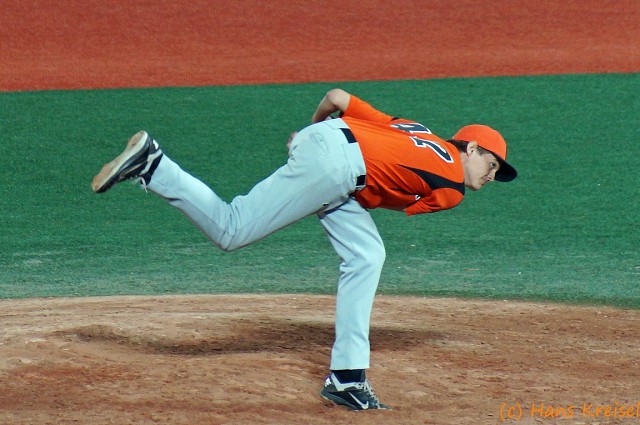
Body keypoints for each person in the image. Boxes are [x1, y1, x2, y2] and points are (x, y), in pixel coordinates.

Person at [91, 88, 517, 410]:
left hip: (330, 148)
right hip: (337, 171)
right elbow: (383, 194)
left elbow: (337, 98)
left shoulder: (414, 129)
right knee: (232, 229)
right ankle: (155, 165)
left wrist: (309, 136)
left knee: (367, 255)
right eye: (491, 164)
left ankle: (347, 378)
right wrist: (321, 162)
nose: (490, 176)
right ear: (471, 148)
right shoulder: (452, 188)